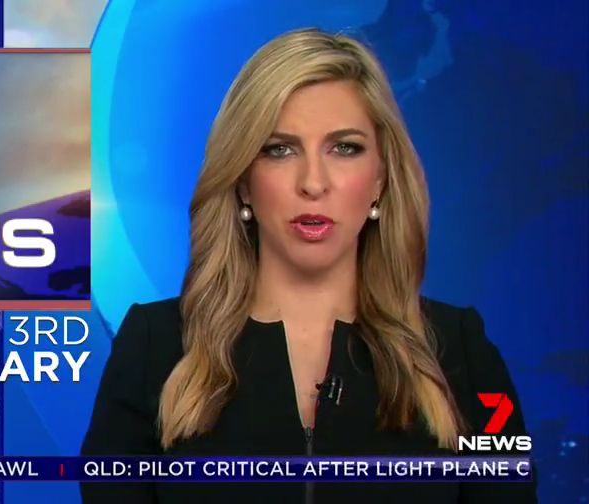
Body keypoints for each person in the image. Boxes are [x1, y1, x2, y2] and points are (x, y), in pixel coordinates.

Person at [81, 27, 537, 503]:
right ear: (242, 180)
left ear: (380, 179)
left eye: (345, 148)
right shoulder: (155, 347)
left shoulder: (459, 351)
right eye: (279, 149)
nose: (313, 183)